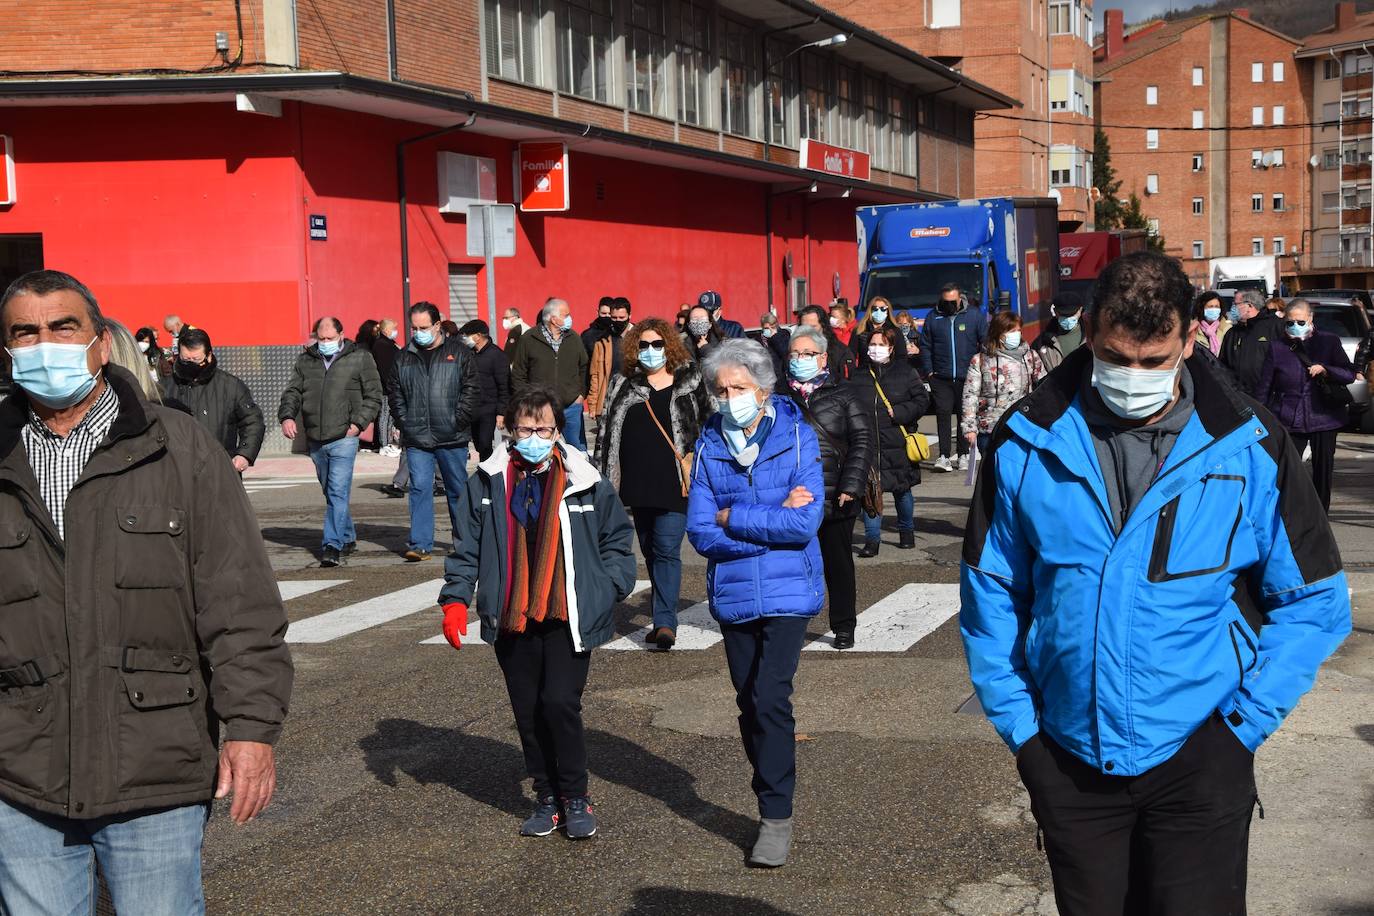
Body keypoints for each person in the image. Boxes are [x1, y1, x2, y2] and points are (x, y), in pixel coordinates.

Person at [961, 250, 1350, 915]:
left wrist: (1239, 734)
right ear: (1088, 330)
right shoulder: (1025, 441)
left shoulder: (1250, 444)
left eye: (1153, 360)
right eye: (1117, 357)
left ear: (1190, 339)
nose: (1133, 376)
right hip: (1068, 757)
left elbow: (1315, 604)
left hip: (1203, 756)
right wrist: (1025, 737)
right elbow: (990, 598)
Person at [0, 270, 292, 913]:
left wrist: (251, 728)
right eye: (26, 331)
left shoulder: (178, 447)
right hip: (21, 774)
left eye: (62, 327)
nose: (43, 343)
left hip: (154, 766)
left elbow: (240, 602)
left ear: (101, 342)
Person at [440, 386, 636, 840]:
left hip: (568, 610)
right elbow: (466, 546)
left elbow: (616, 540)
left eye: (543, 428)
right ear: (509, 429)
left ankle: (576, 796)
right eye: (525, 427)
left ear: (557, 431)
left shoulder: (584, 478)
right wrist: (455, 599)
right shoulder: (487, 480)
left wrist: (609, 587)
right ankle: (547, 797)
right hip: (512, 611)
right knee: (527, 709)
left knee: (560, 703)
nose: (533, 435)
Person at [686, 338, 824, 868]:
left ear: (763, 390)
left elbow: (804, 523)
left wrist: (733, 515)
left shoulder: (796, 436)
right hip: (736, 592)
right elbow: (701, 532)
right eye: (721, 389)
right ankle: (768, 784)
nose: (729, 397)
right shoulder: (709, 446)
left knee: (770, 697)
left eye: (739, 387)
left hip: (790, 591)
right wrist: (765, 518)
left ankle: (775, 815)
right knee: (748, 702)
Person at [594, 319, 711, 649]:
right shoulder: (623, 384)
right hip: (636, 483)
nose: (650, 351)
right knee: (650, 550)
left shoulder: (691, 382)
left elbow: (712, 426)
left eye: (657, 344)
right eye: (643, 345)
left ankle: (664, 623)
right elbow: (606, 434)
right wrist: (602, 479)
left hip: (676, 483)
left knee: (666, 549)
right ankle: (663, 614)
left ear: (669, 346)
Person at [781, 325, 874, 650]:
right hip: (791, 497)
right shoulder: (779, 396)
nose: (800, 359)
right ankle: (789, 625)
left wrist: (851, 485)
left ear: (822, 357)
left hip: (836, 494)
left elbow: (863, 441)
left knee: (837, 563)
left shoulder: (844, 393)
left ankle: (843, 624)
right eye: (795, 354)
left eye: (807, 354)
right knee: (792, 565)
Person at [278, 316, 383, 568]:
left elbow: (374, 395)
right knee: (331, 491)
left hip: (344, 436)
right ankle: (347, 536)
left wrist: (357, 424)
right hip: (316, 437)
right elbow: (293, 391)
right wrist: (287, 416)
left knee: (337, 490)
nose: (325, 343)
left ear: (341, 334)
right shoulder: (306, 360)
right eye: (321, 338)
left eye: (330, 338)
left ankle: (331, 545)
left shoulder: (360, 358)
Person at [388, 302, 480, 562]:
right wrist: (405, 422)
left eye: (424, 327)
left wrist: (458, 419)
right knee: (419, 488)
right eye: (414, 328)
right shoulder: (404, 356)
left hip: (451, 436)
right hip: (417, 437)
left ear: (438, 325)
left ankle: (465, 544)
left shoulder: (459, 353)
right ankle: (419, 544)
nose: (418, 332)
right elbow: (395, 394)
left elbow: (471, 389)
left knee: (457, 490)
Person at [1256, 298, 1355, 511]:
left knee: (1323, 469)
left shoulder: (1329, 341)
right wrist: (1260, 417)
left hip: (1324, 416)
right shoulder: (1277, 347)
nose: (1296, 326)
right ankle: (1289, 512)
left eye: (1301, 321)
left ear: (1310, 319)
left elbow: (1349, 373)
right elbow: (1265, 385)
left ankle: (1320, 514)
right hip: (1289, 415)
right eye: (1291, 322)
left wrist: (1327, 370)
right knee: (1287, 469)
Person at [851, 326, 929, 556]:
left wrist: (901, 412)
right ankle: (872, 540)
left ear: (892, 347)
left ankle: (907, 532)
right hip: (868, 443)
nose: (876, 349)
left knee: (902, 491)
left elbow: (922, 400)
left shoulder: (905, 372)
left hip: (897, 441)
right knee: (870, 492)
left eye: (881, 345)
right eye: (872, 345)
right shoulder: (859, 375)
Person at [163, 327, 265, 471]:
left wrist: (244, 454)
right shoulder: (164, 387)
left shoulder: (230, 386)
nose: (191, 363)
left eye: (196, 359)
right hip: (177, 472)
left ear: (209, 355)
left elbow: (252, 421)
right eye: (186, 359)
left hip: (221, 470)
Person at [918, 283, 987, 472]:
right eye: (945, 301)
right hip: (941, 377)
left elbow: (985, 342)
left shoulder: (974, 316)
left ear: (959, 299)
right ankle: (944, 455)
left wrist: (980, 368)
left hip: (967, 376)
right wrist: (930, 372)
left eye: (952, 302)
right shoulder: (933, 317)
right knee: (943, 413)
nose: (948, 305)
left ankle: (964, 454)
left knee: (963, 415)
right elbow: (925, 346)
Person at [511, 298, 590, 451]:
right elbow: (518, 373)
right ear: (553, 319)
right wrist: (526, 400)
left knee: (578, 451)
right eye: (566, 315)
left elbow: (584, 367)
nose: (569, 318)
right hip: (540, 408)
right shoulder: (529, 338)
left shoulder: (574, 338)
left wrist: (581, 394)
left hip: (571, 407)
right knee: (543, 449)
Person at [961, 311, 1044, 456]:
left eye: (1019, 330)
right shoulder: (981, 360)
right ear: (999, 333)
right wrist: (969, 429)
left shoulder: (1030, 356)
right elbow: (970, 395)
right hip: (990, 429)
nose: (1017, 335)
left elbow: (1044, 388)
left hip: (1022, 427)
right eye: (1012, 331)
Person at [458, 318, 511, 461]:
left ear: (478, 336)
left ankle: (487, 474)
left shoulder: (497, 355)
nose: (466, 339)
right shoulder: (469, 353)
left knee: (485, 444)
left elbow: (504, 386)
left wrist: (501, 412)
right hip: (471, 408)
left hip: (489, 408)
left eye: (468, 335)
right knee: (477, 445)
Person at [1220, 289, 1281, 396]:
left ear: (1249, 306)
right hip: (1238, 397)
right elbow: (1222, 365)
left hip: (1267, 398)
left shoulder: (1275, 326)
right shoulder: (1232, 333)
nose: (1233, 308)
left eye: (1236, 304)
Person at [585, 296, 633, 424]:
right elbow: (595, 375)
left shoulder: (640, 339)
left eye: (622, 318)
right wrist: (593, 405)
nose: (618, 321)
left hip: (633, 400)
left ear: (630, 316)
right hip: (608, 400)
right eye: (614, 318)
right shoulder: (602, 341)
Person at [108, 320, 164, 401]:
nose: (143, 344)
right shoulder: (131, 354)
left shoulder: (158, 355)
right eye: (141, 341)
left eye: (146, 342)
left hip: (156, 387)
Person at [797, 305, 857, 380]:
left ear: (823, 326)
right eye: (804, 327)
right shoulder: (793, 352)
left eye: (813, 327)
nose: (808, 331)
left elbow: (848, 383)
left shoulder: (841, 352)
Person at [372, 318, 402, 464]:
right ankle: (383, 444)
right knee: (385, 415)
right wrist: (390, 386)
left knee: (390, 416)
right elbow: (385, 369)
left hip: (391, 387)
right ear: (385, 330)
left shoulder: (388, 344)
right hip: (386, 388)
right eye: (393, 328)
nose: (395, 332)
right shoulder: (382, 345)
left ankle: (388, 442)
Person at [1031, 292, 1085, 372]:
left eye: (1072, 314)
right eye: (1063, 315)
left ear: (1080, 310)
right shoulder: (1042, 343)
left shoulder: (1092, 338)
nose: (1068, 318)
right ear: (1055, 312)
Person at [1193, 290, 1231, 358]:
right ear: (1202, 309)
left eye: (1216, 306)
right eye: (1210, 306)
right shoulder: (1193, 329)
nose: (1214, 309)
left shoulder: (1227, 329)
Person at [759, 311, 791, 380]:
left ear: (776, 325)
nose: (770, 330)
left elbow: (784, 352)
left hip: (780, 376)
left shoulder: (783, 335)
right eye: (767, 328)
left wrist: (775, 338)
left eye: (772, 327)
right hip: (765, 376)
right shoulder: (759, 339)